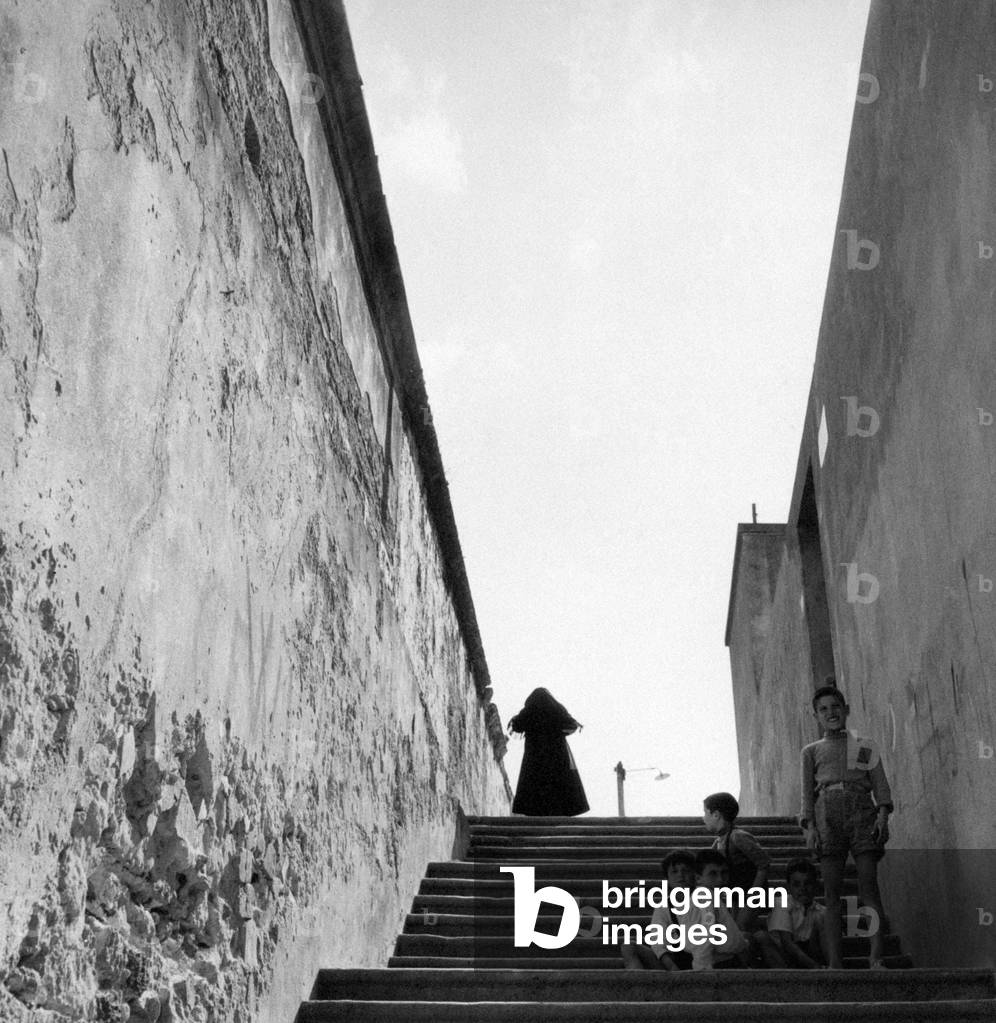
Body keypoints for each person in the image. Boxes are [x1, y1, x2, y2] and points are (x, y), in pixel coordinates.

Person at [799, 680, 892, 969]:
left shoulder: (864, 746)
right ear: (815, 715)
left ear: (846, 710)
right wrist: (810, 827)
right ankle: (835, 962)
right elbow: (806, 793)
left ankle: (876, 957)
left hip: (861, 811)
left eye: (835, 706)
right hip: (827, 813)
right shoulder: (811, 751)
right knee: (831, 891)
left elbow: (879, 784)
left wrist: (882, 815)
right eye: (823, 709)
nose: (831, 712)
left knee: (868, 885)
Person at [507, 688, 589, 816]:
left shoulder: (530, 710)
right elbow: (571, 724)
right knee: (557, 781)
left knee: (535, 782)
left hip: (535, 756)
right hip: (557, 755)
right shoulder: (557, 710)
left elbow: (516, 725)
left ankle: (537, 812)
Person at [702, 791, 770, 930]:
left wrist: (754, 894)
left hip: (750, 895)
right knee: (734, 930)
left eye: (705, 813)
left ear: (716, 815)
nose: (703, 818)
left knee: (740, 929)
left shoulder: (738, 837)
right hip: (736, 895)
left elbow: (763, 863)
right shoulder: (718, 842)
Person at [620, 849, 696, 970]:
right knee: (629, 946)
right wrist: (672, 967)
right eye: (674, 872)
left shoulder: (707, 900)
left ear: (695, 874)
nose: (680, 875)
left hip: (706, 960)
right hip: (676, 962)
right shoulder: (664, 906)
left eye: (685, 871)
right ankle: (639, 987)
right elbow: (657, 941)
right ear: (668, 878)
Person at [683, 849, 749, 970]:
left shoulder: (712, 896)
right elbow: (703, 936)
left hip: (726, 960)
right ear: (698, 878)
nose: (720, 879)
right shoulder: (704, 897)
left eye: (724, 873)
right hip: (719, 964)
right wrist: (704, 972)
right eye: (713, 874)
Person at [761, 858, 827, 968]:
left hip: (810, 952)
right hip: (785, 955)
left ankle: (832, 968)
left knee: (825, 919)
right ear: (789, 887)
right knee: (761, 937)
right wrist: (815, 967)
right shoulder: (782, 903)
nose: (803, 889)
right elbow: (787, 943)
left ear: (816, 885)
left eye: (808, 883)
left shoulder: (822, 911)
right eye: (796, 884)